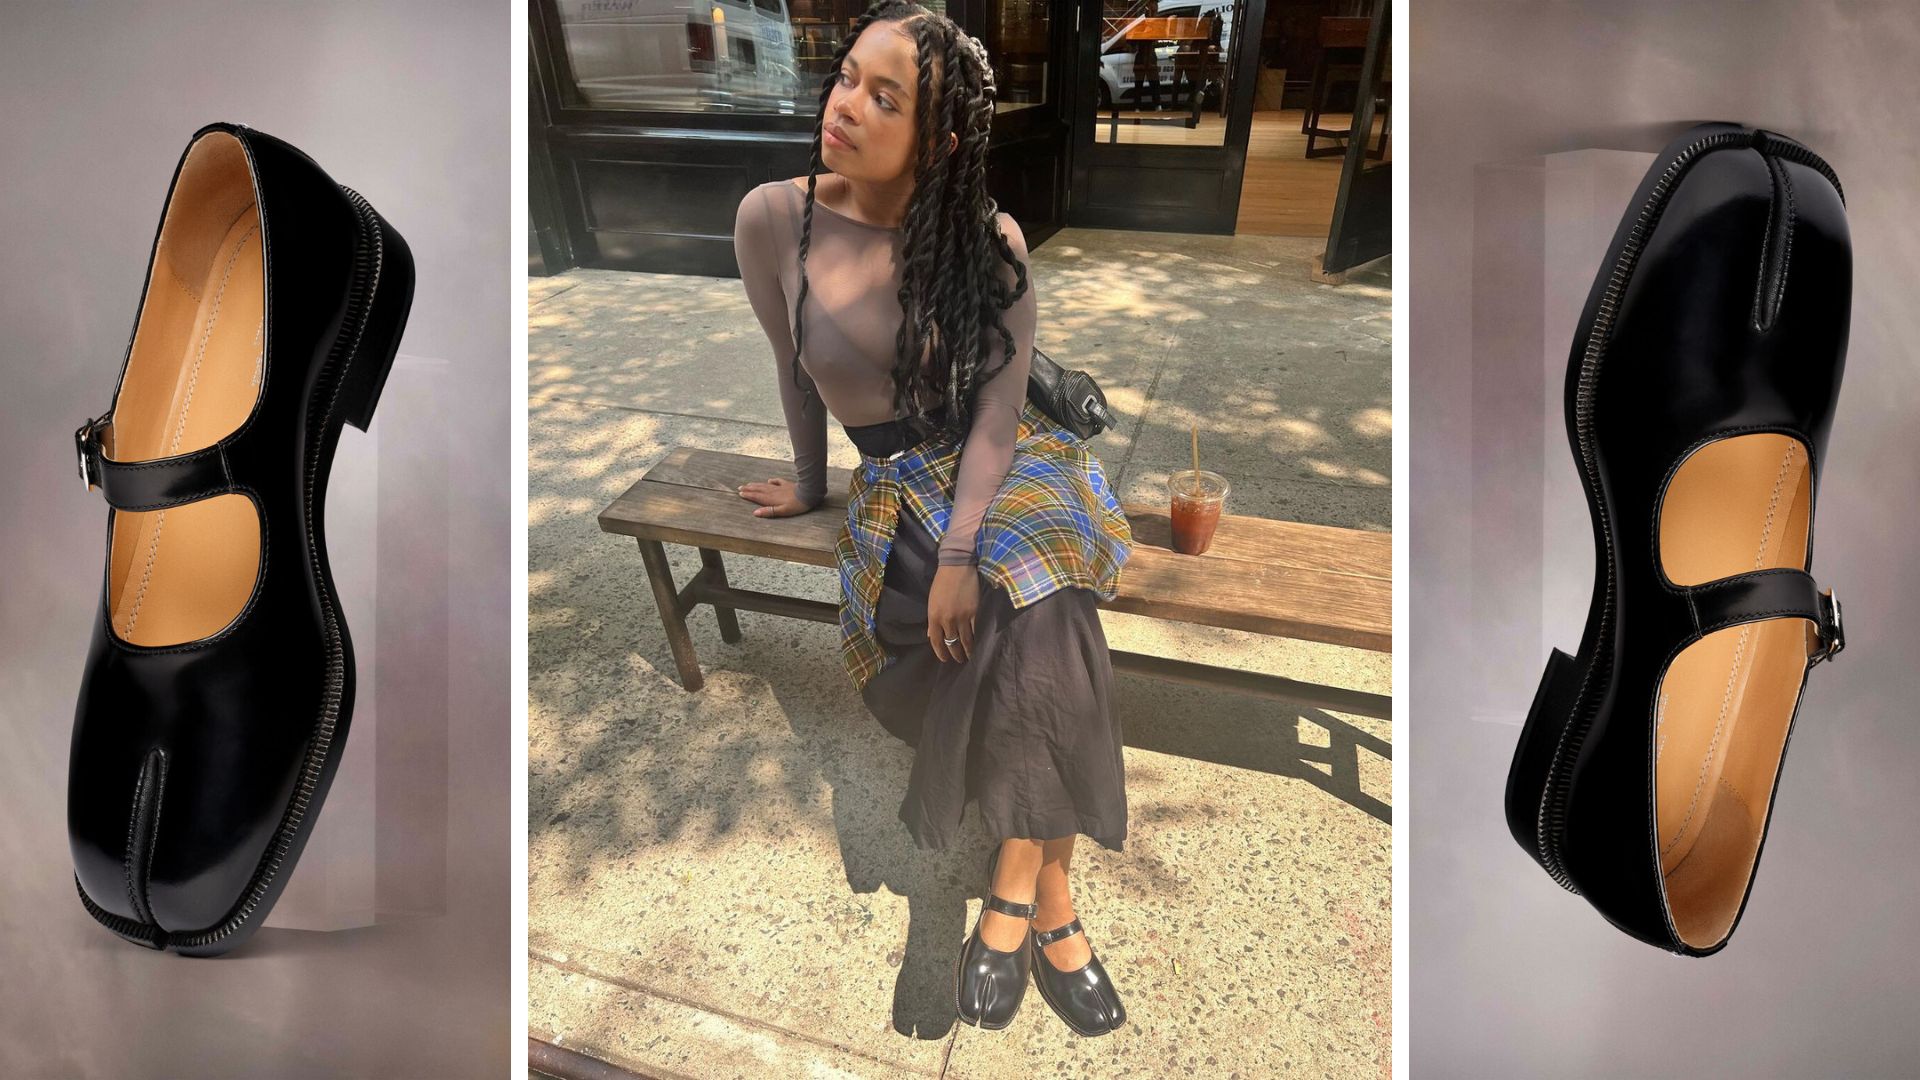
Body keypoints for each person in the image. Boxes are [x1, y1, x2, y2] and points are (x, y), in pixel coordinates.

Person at [729, 0, 1134, 1037]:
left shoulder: (989, 241)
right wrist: (810, 482)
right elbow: (793, 369)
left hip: (1009, 464)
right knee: (1030, 624)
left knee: (1033, 593)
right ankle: (1050, 896)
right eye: (846, 77)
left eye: (885, 97)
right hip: (894, 481)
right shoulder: (773, 217)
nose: (845, 105)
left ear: (939, 140)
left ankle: (1011, 898)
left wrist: (963, 550)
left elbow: (999, 413)